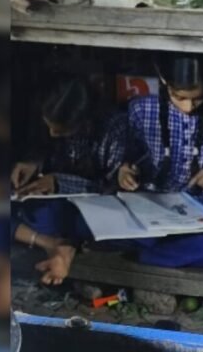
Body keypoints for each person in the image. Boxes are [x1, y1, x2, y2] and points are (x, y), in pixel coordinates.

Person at [116, 53, 203, 267]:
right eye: (180, 98)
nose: (189, 107)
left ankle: (146, 259)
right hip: (151, 202)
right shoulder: (140, 107)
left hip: (202, 205)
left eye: (199, 98)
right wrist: (124, 171)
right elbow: (125, 156)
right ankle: (166, 254)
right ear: (165, 82)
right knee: (120, 227)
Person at [10, 77, 127, 285]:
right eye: (49, 127)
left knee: (90, 227)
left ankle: (61, 245)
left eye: (61, 130)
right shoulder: (48, 115)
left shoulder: (113, 128)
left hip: (94, 207)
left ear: (85, 120)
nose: (53, 134)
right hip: (55, 204)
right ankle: (55, 244)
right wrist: (34, 162)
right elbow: (44, 150)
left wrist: (59, 182)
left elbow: (113, 190)